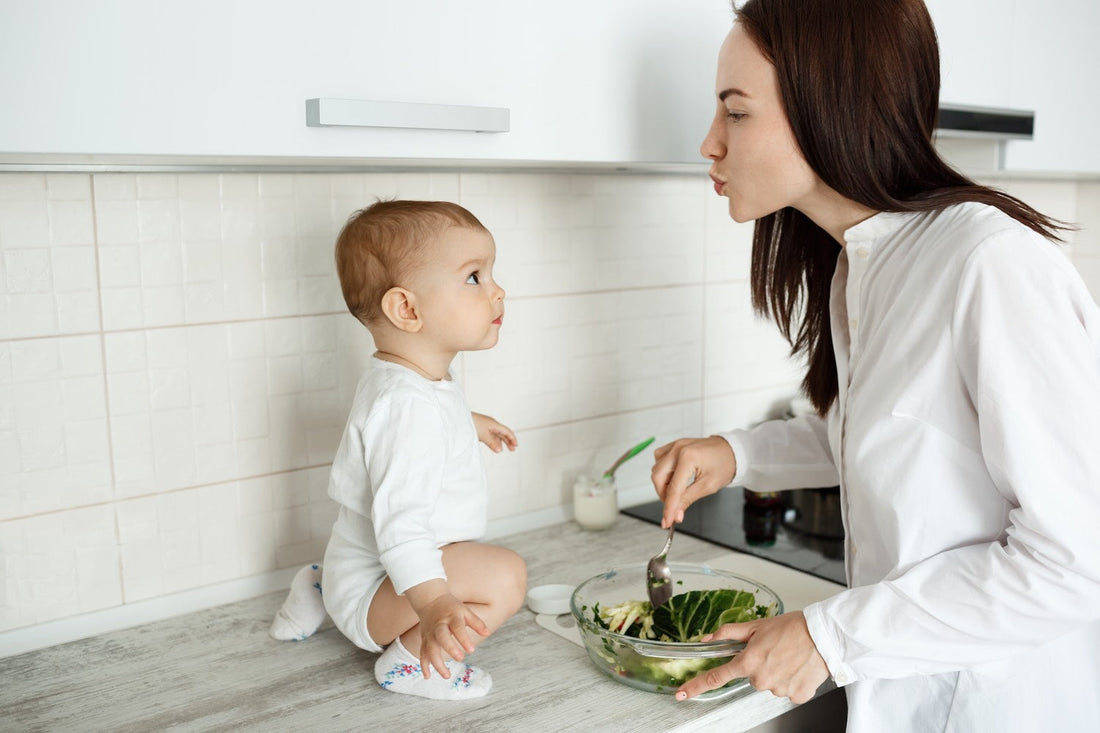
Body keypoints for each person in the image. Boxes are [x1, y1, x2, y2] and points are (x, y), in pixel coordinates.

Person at [650, 0, 1100, 730]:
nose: (710, 142)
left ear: (829, 107)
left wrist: (830, 636)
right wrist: (737, 453)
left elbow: (1074, 562)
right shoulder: (862, 262)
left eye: (736, 113)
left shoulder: (990, 263)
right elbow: (900, 426)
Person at [269, 199, 527, 701]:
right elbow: (402, 524)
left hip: (364, 569)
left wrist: (466, 423)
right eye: (474, 277)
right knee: (505, 578)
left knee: (483, 566)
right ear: (407, 309)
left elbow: (408, 429)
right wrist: (432, 606)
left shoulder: (411, 384)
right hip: (376, 588)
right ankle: (408, 665)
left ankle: (320, 585)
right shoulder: (407, 409)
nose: (498, 290)